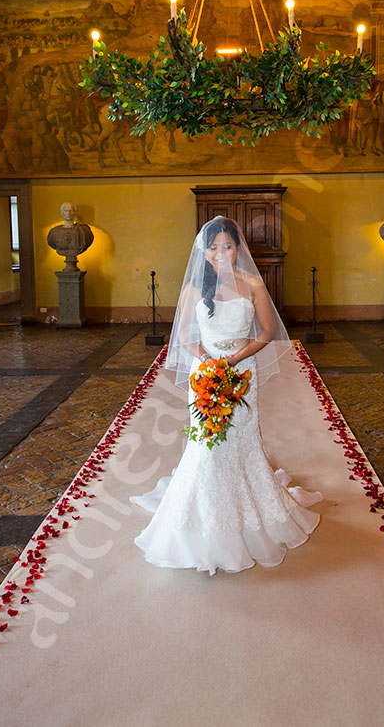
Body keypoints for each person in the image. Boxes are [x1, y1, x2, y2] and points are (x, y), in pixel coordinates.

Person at [130, 216, 322, 575]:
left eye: (227, 246)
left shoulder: (253, 285)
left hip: (243, 374)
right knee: (206, 445)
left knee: (240, 441)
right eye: (213, 247)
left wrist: (234, 359)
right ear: (204, 252)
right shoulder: (193, 289)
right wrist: (208, 362)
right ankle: (202, 514)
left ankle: (250, 507)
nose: (220, 253)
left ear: (238, 249)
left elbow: (266, 331)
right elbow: (184, 337)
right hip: (205, 375)